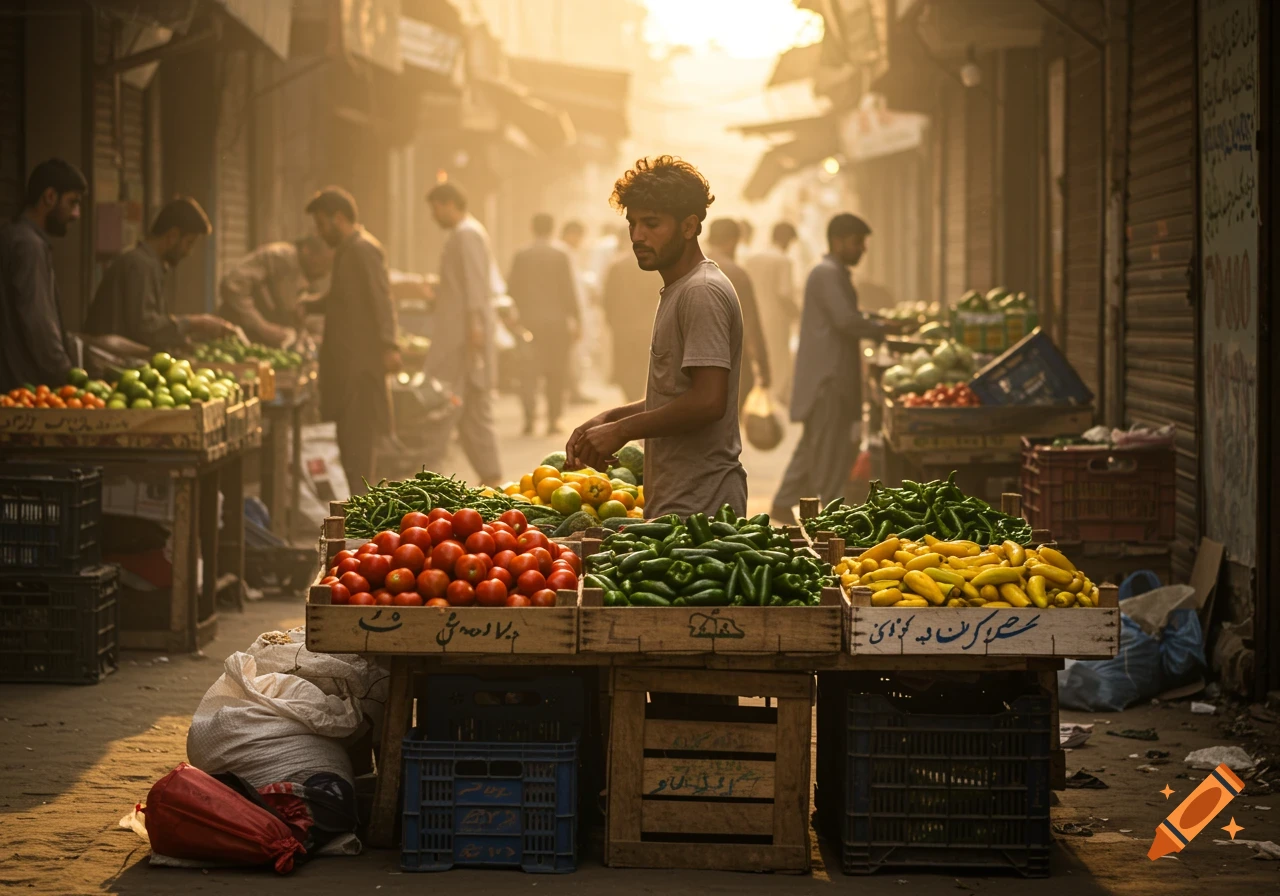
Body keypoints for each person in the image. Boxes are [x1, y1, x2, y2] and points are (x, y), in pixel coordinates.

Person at [567, 155, 746, 520]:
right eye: (632, 224)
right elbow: (677, 394)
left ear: (689, 226)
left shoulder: (702, 291)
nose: (637, 236)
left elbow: (709, 401)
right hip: (680, 499)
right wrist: (609, 417)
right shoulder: (681, 288)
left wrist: (623, 430)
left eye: (651, 224)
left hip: (702, 505)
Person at [771, 214, 897, 522]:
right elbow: (846, 320)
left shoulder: (832, 273)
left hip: (828, 378)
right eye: (858, 242)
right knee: (827, 450)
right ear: (838, 241)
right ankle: (827, 515)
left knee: (814, 446)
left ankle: (784, 502)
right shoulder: (826, 273)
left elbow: (848, 315)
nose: (862, 250)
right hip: (827, 380)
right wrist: (881, 327)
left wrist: (876, 320)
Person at [296, 187, 399, 495]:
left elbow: (382, 298)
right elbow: (340, 299)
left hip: (360, 366)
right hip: (344, 364)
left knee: (358, 438)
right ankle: (354, 499)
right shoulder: (347, 250)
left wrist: (389, 345)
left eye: (321, 224)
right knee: (346, 436)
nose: (319, 232)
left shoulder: (364, 249)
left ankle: (360, 502)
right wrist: (310, 303)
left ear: (338, 218)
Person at [424, 181, 503, 485]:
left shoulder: (467, 233)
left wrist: (475, 329)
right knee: (467, 408)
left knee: (464, 406)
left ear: (449, 204)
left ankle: (489, 476)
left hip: (464, 339)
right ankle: (488, 475)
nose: (434, 215)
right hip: (462, 336)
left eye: (436, 208)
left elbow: (474, 287)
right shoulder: (465, 233)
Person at [84, 196, 237, 349]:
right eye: (189, 243)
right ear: (173, 236)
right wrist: (196, 323)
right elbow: (146, 328)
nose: (189, 252)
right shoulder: (140, 265)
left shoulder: (150, 265)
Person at [0, 159, 87, 391]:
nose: (76, 214)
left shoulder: (14, 236)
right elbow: (39, 326)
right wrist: (68, 377)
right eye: (72, 202)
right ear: (49, 197)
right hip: (25, 392)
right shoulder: (29, 246)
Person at [507, 213, 580, 435]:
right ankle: (553, 419)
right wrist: (576, 320)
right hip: (557, 324)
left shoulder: (521, 255)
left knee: (528, 371)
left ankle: (529, 418)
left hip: (528, 323)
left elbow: (511, 289)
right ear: (552, 228)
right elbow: (569, 290)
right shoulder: (560, 255)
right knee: (556, 372)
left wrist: (513, 317)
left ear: (532, 227)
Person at [218, 236, 333, 347]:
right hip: (233, 334)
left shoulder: (304, 275)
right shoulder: (279, 256)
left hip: (261, 345)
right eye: (323, 262)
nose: (324, 273)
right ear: (307, 251)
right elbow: (233, 285)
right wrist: (263, 327)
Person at [704, 218, 770, 412]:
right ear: (733, 241)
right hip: (731, 363)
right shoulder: (736, 274)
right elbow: (750, 322)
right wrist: (763, 366)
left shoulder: (689, 268)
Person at [600, 226, 661, 402]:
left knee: (625, 362)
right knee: (643, 361)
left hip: (622, 324)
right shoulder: (652, 262)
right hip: (646, 323)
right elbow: (659, 293)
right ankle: (638, 397)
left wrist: (610, 320)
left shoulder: (616, 265)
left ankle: (630, 397)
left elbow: (608, 297)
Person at [744, 221, 800, 403]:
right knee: (778, 359)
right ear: (786, 239)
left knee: (758, 359)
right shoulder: (783, 260)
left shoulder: (753, 258)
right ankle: (774, 401)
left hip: (753, 317)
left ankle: (759, 399)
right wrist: (798, 314)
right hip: (776, 319)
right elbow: (784, 294)